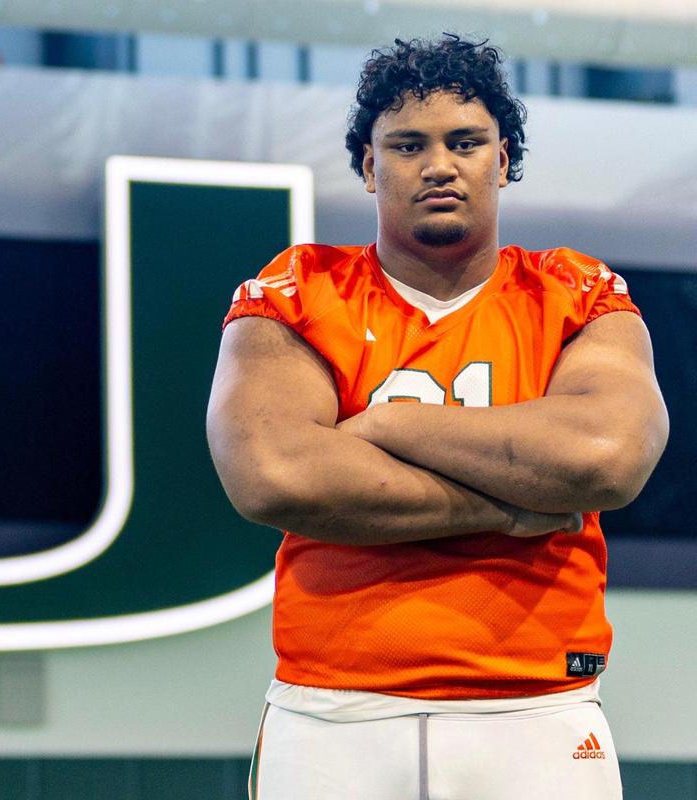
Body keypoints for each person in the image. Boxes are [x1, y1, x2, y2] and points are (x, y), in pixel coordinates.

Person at [206, 34, 668, 800]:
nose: (440, 164)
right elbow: (276, 475)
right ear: (368, 166)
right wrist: (513, 503)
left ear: (505, 158)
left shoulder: (575, 292)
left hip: (538, 711)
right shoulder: (298, 289)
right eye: (407, 144)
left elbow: (605, 458)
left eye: (466, 141)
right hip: (334, 714)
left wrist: (390, 427)